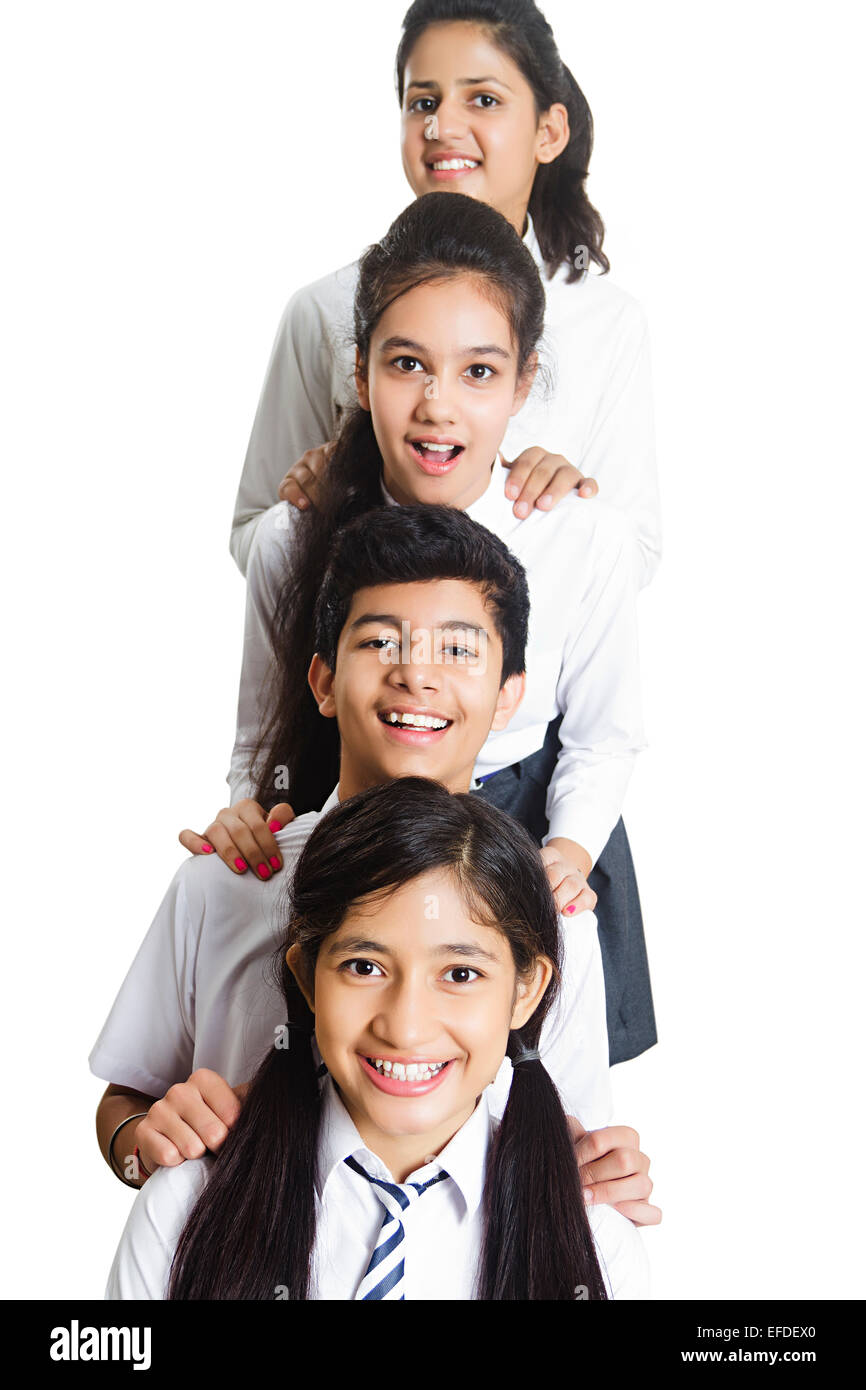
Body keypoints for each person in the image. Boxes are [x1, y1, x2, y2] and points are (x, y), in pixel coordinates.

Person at [188, 190, 653, 1063]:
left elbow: (604, 737)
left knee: (540, 1117)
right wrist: (247, 816)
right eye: (406, 366)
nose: (439, 406)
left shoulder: (581, 534)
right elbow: (261, 741)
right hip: (353, 822)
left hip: (532, 827)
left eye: (479, 372)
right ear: (359, 373)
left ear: (524, 381)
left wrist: (565, 853)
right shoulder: (293, 537)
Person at [92, 507, 657, 1226]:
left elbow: (574, 1138)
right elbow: (126, 1100)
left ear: (510, 695)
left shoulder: (547, 913)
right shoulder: (224, 881)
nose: (416, 675)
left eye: (457, 650)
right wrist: (143, 1142)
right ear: (323, 682)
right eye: (380, 641)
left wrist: (599, 1173)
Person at [106, 778, 650, 1300]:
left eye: (460, 974)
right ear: (306, 978)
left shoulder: (598, 1244)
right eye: (364, 967)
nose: (406, 1026)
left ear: (525, 992)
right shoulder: (183, 1206)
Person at [231, 0, 660, 588]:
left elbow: (631, 558)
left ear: (548, 130)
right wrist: (318, 501)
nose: (442, 127)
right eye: (423, 102)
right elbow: (256, 539)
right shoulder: (322, 309)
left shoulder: (608, 322)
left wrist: (571, 502)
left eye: (483, 99)